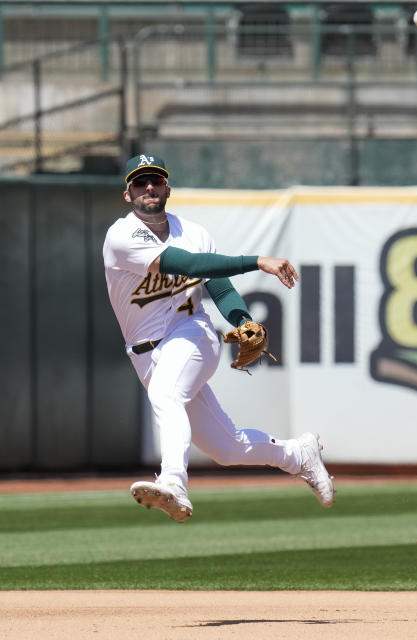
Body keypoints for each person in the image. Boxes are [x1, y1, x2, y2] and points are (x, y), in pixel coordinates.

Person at [102, 153, 335, 523]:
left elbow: (221, 290)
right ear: (127, 194)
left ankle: (174, 484)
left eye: (156, 180)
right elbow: (192, 266)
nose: (149, 187)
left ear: (168, 188)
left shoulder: (193, 232)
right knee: (228, 449)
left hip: (191, 333)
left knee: (166, 394)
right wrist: (258, 261)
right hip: (145, 355)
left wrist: (242, 319)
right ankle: (298, 455)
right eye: (140, 182)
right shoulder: (122, 236)